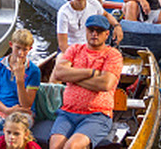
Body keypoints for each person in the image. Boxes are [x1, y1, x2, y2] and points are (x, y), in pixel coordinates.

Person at [49, 15, 123, 149]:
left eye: (99, 31)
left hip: (97, 115)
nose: (94, 34)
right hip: (67, 113)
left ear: (107, 34)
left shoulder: (112, 55)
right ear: (86, 31)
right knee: (55, 146)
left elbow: (105, 84)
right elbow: (59, 73)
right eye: (91, 30)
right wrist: (91, 73)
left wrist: (72, 77)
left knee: (72, 146)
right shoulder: (75, 49)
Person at [56, 0, 122, 53]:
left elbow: (106, 15)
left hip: (90, 47)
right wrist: (76, 58)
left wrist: (117, 26)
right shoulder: (64, 12)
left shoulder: (94, 3)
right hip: (71, 49)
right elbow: (62, 44)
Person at [0, 29, 41, 118]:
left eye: (25, 50)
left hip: (23, 112)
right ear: (11, 45)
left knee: (16, 126)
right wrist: (6, 110)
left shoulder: (34, 71)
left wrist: (20, 80)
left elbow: (26, 105)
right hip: (2, 108)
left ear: (30, 49)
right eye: (18, 48)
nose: (21, 53)